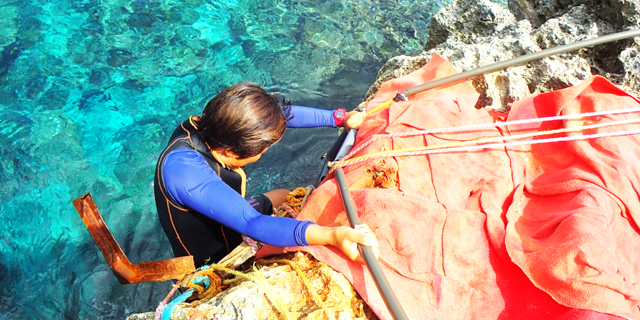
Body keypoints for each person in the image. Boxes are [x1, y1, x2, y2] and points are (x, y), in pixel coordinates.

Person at [154, 82, 379, 267]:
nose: (266, 150)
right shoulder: (185, 173)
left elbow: (280, 116)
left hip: (229, 218)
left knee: (284, 195)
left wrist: (340, 118)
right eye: (264, 150)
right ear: (231, 152)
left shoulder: (213, 125)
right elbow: (253, 223)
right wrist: (333, 235)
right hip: (214, 256)